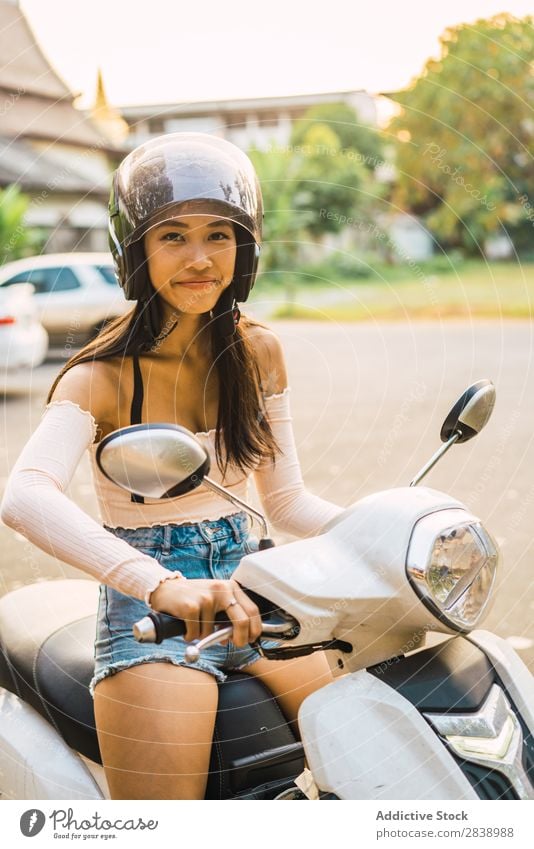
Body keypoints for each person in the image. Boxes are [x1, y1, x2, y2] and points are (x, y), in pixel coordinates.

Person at [1, 133, 344, 800]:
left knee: (368, 766)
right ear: (136, 250)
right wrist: (161, 585)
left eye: (219, 235)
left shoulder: (258, 351)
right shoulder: (100, 376)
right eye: (173, 237)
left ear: (244, 247)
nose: (199, 258)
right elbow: (24, 495)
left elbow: (287, 501)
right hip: (152, 611)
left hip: (255, 590)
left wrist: (395, 533)